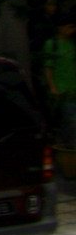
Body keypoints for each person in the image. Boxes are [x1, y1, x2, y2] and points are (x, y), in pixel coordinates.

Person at [44, 15, 76, 180]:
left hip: (73, 89)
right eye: (70, 27)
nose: (72, 30)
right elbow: (48, 67)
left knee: (68, 124)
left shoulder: (72, 44)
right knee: (70, 123)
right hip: (62, 91)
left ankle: (67, 158)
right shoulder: (52, 44)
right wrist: (53, 87)